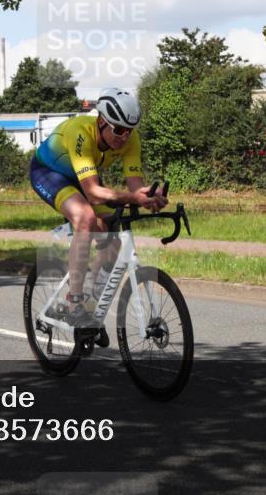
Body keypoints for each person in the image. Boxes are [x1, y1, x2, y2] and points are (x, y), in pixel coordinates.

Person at [29, 88, 167, 329]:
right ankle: (74, 302)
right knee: (85, 217)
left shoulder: (130, 139)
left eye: (130, 130)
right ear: (102, 121)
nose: (125, 137)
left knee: (112, 241)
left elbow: (135, 185)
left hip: (84, 178)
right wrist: (132, 198)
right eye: (119, 130)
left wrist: (149, 196)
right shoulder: (80, 132)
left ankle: (90, 307)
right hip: (49, 173)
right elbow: (93, 191)